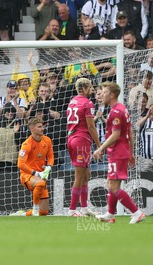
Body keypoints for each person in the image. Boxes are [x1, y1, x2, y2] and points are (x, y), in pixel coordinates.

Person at [93, 82, 146, 224]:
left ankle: (136, 212)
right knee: (111, 183)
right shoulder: (122, 109)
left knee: (114, 187)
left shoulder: (116, 111)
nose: (101, 95)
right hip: (121, 151)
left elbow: (116, 135)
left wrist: (100, 148)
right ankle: (110, 213)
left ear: (112, 95)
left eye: (104, 92)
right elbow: (129, 132)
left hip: (117, 151)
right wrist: (131, 152)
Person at [66, 78, 102, 217]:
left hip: (72, 138)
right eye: (91, 87)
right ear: (85, 87)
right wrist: (99, 145)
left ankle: (85, 208)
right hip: (81, 140)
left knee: (86, 175)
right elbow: (91, 126)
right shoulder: (88, 103)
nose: (92, 90)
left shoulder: (73, 101)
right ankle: (72, 209)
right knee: (79, 177)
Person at [15, 118, 54, 217]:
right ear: (32, 128)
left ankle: (23, 214)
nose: (42, 128)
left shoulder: (47, 140)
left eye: (42, 126)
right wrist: (36, 173)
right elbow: (20, 164)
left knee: (44, 212)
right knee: (40, 183)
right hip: (27, 175)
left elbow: (50, 156)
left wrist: (49, 167)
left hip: (40, 175)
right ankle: (35, 208)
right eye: (39, 127)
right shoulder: (26, 144)